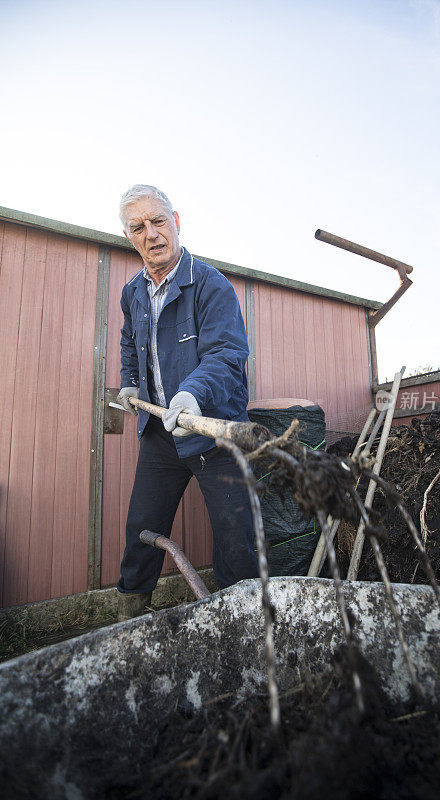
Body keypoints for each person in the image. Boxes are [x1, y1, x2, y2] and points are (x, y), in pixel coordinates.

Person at [115, 184, 258, 620]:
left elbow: (227, 355)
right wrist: (131, 383)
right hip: (162, 435)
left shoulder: (210, 285)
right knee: (142, 528)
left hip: (214, 432)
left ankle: (242, 623)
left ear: (175, 222)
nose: (151, 233)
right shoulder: (132, 293)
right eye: (138, 227)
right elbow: (128, 342)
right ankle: (130, 618)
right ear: (129, 237)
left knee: (237, 535)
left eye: (158, 221)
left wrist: (192, 394)